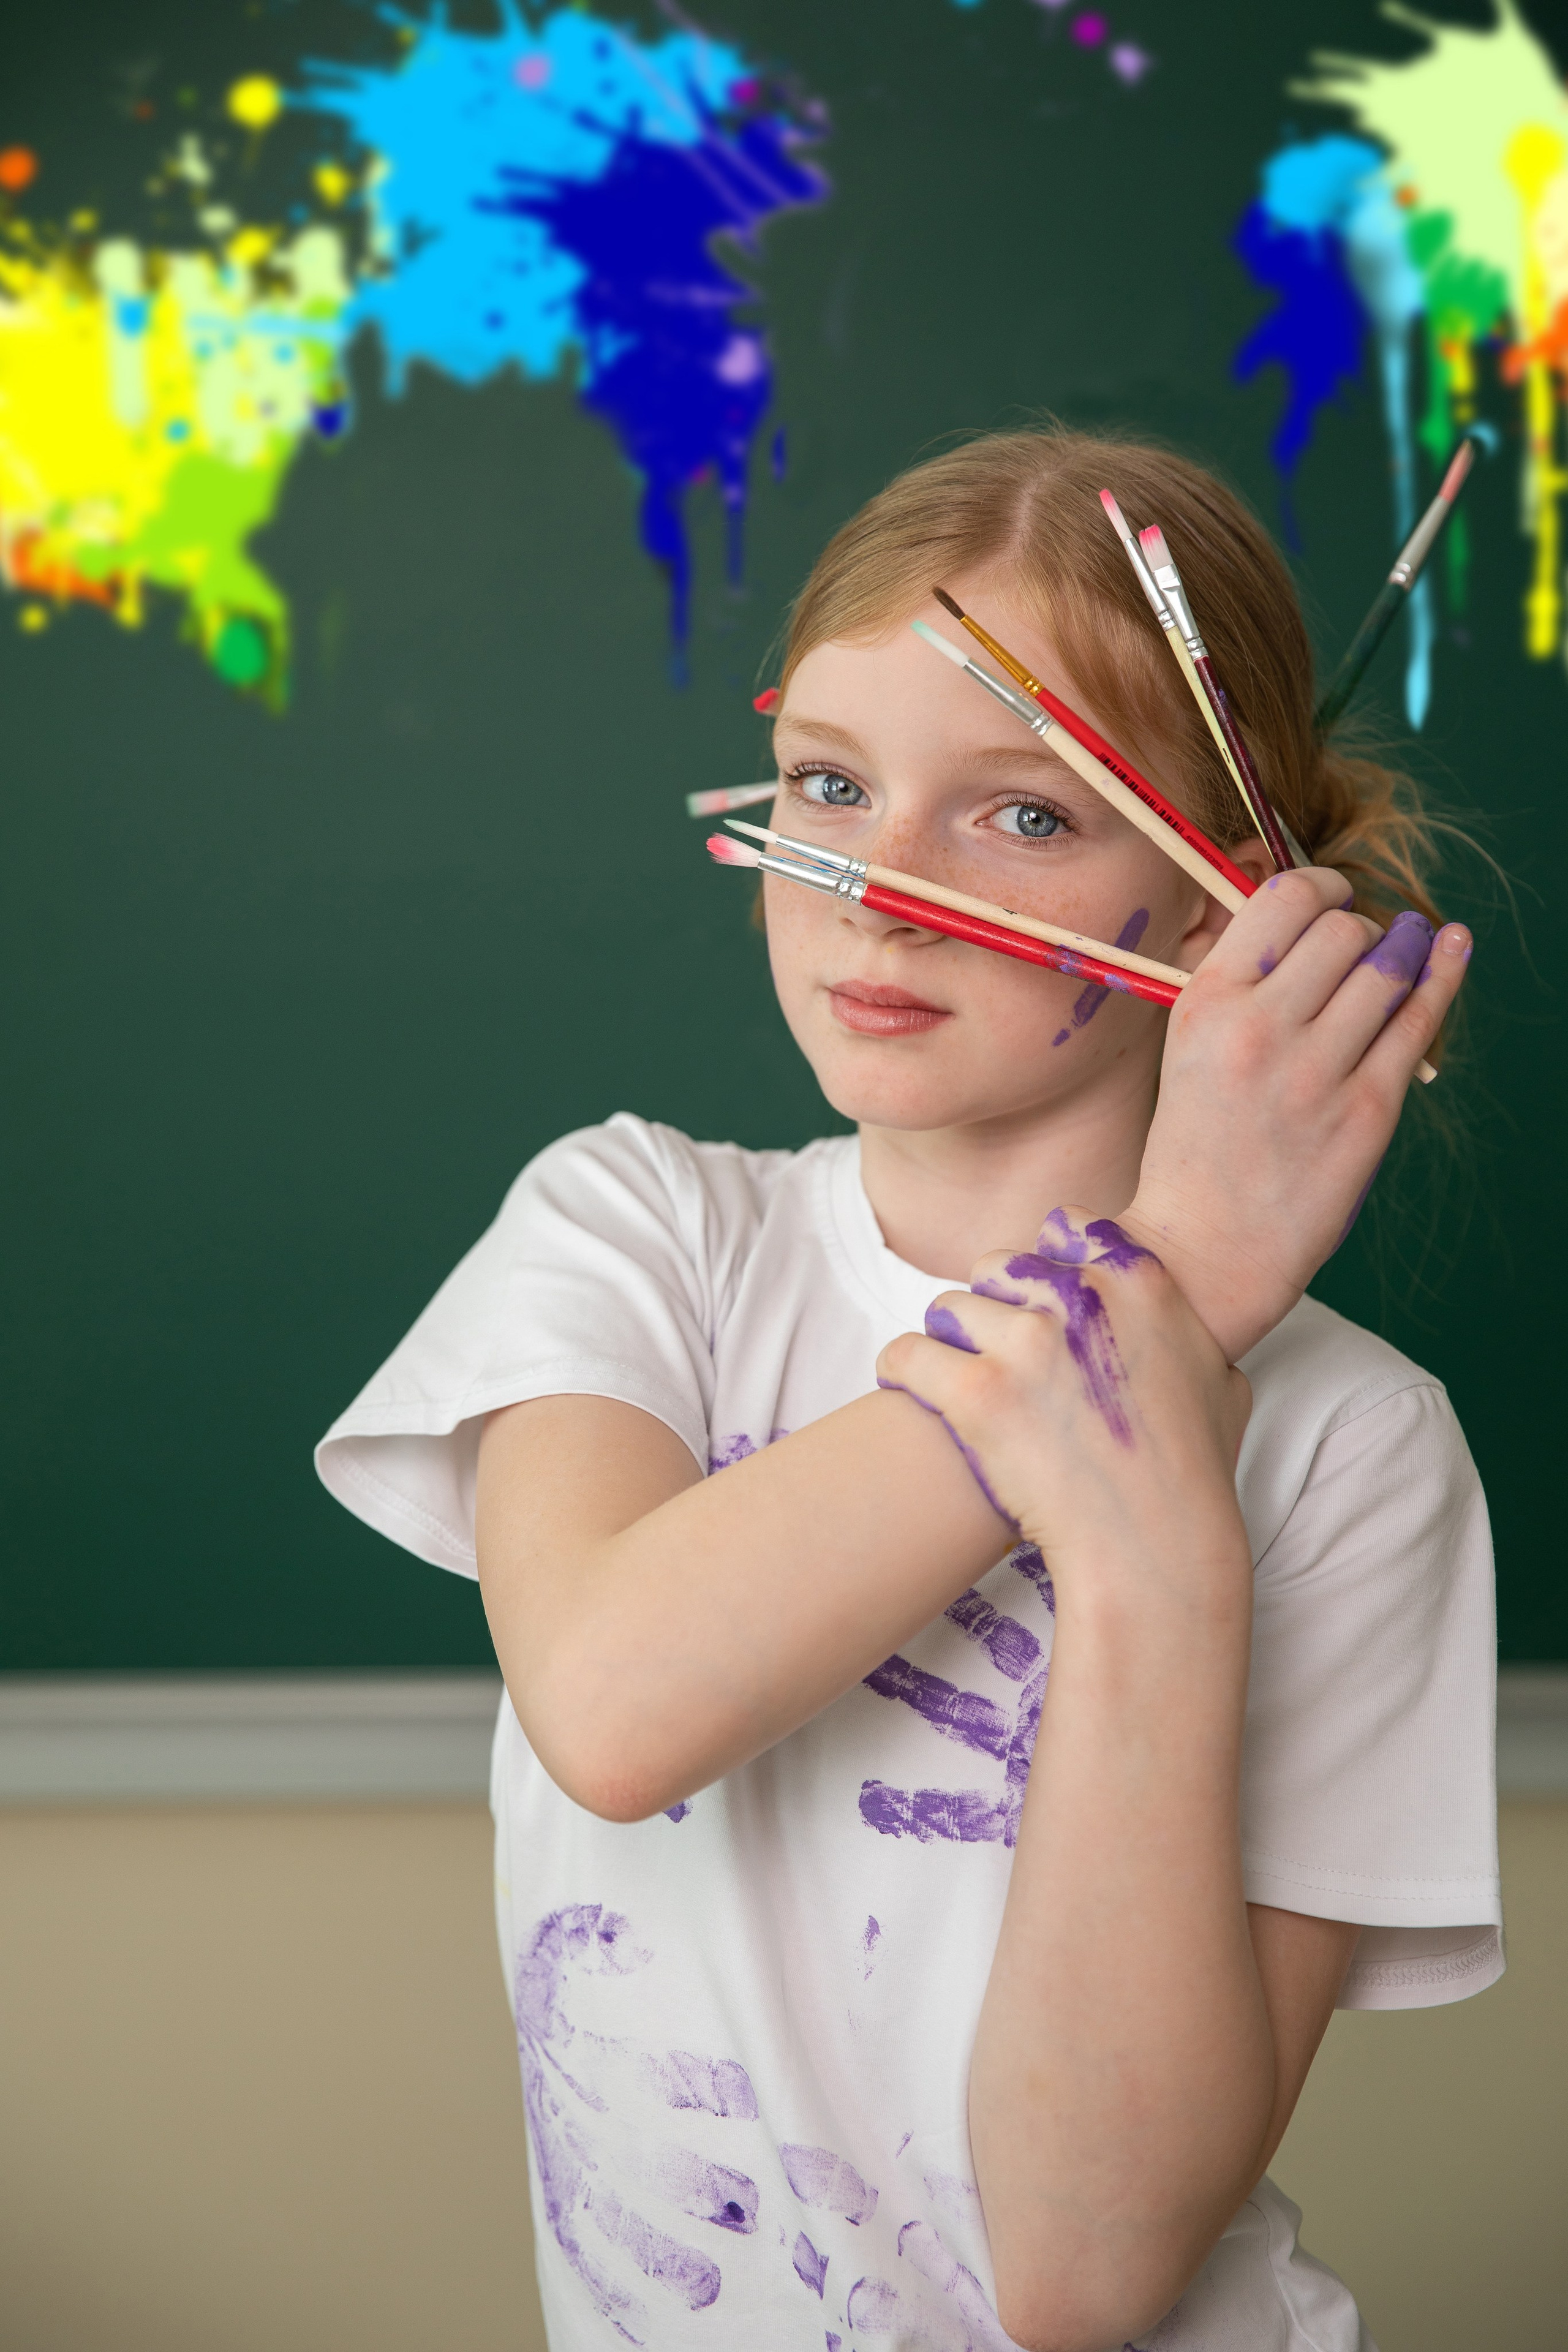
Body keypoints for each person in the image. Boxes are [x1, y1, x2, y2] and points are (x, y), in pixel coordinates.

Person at [317, 428, 1498, 2352]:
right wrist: (1170, 1284)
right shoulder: (637, 1233)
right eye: (831, 785)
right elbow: (619, 1706)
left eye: (1025, 816)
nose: (879, 893)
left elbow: (1084, 2274)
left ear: (1229, 898)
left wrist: (1157, 1554)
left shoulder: (1356, 1449)